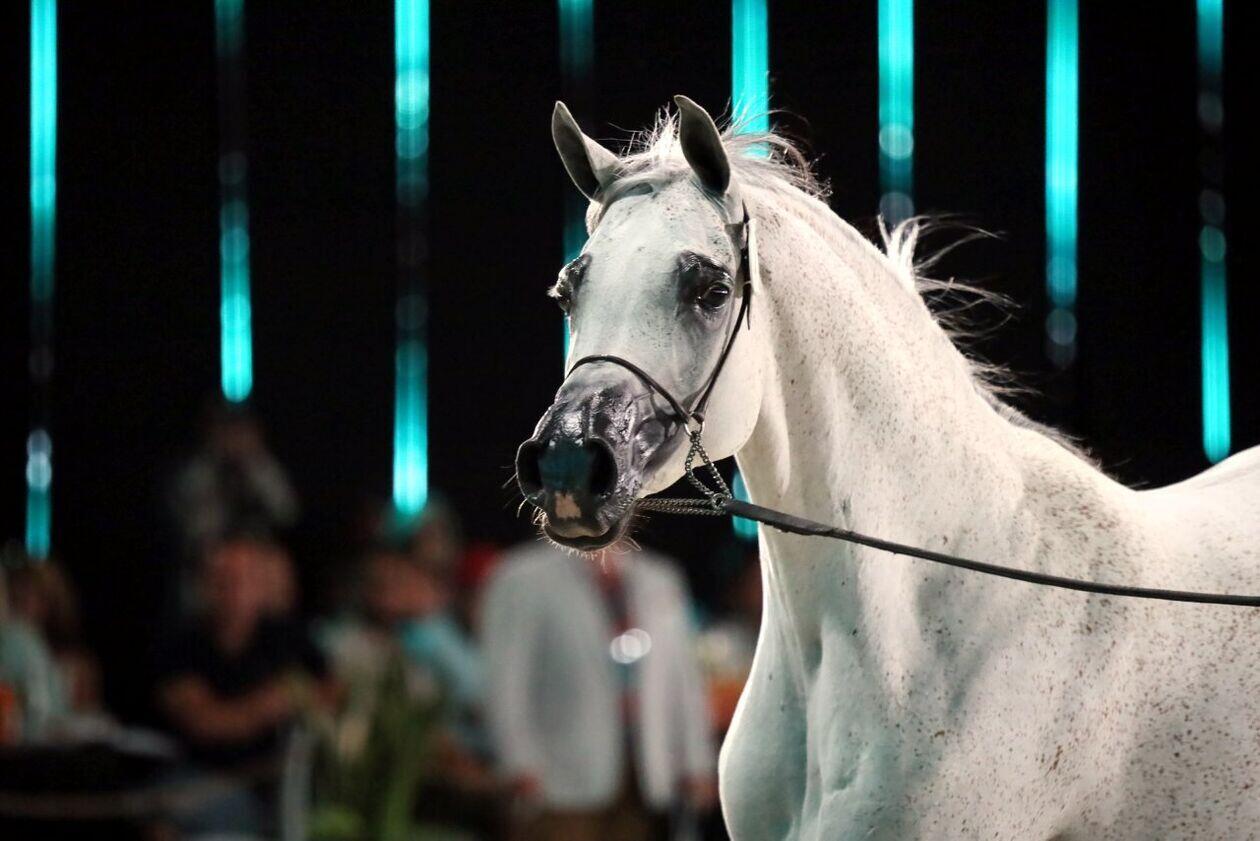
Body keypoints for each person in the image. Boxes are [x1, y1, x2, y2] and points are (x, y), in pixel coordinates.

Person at [481, 542, 717, 841]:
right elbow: (505, 679)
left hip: (643, 772)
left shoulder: (660, 578)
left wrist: (697, 760)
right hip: (559, 778)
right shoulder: (522, 576)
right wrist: (518, 761)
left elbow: (683, 679)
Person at [154, 533, 334, 836]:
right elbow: (203, 721)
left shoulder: (290, 638)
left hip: (280, 786)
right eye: (223, 578)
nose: (236, 588)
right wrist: (272, 702)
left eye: (247, 577)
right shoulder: (181, 644)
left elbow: (332, 692)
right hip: (203, 779)